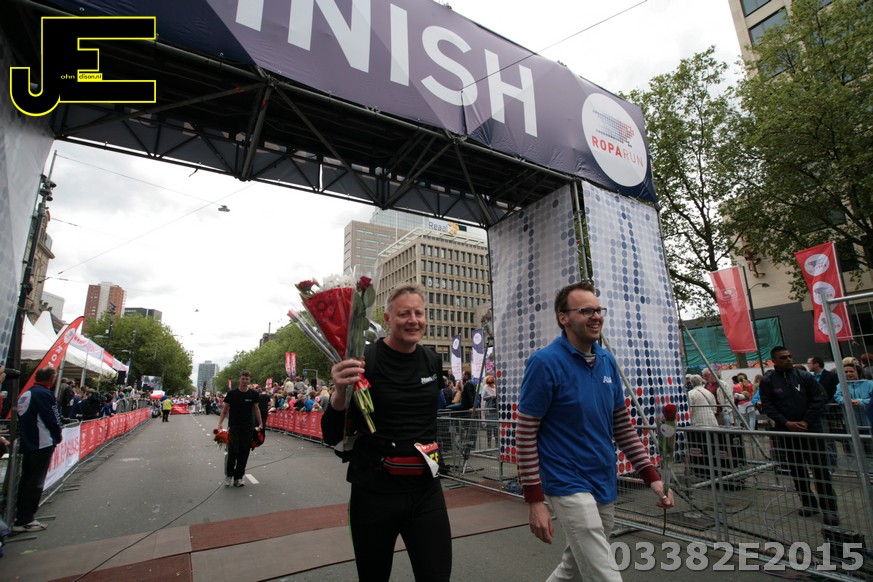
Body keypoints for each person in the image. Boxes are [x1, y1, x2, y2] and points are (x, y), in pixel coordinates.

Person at [517, 281, 673, 581]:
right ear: (564, 318)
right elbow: (525, 434)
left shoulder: (606, 360)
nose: (596, 316)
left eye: (599, 310)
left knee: (574, 566)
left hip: (603, 477)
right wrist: (534, 500)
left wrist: (652, 476)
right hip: (565, 479)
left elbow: (622, 427)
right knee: (603, 572)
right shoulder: (544, 362)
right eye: (586, 310)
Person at [322, 283, 451, 582]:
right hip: (374, 493)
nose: (413, 320)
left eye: (419, 313)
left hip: (425, 490)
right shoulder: (363, 359)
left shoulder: (432, 360)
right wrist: (339, 391)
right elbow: (331, 435)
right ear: (388, 318)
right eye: (404, 314)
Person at [759, 346, 839, 526]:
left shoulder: (805, 377)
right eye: (783, 357)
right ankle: (808, 503)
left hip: (811, 431)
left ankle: (830, 508)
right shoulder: (768, 381)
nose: (788, 359)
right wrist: (785, 422)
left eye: (789, 356)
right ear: (774, 361)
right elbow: (768, 405)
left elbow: (818, 398)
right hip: (787, 432)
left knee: (820, 469)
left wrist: (807, 420)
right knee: (797, 469)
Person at [13, 366, 63, 533]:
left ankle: (20, 516)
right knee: (35, 481)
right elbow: (53, 418)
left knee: (27, 479)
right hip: (42, 442)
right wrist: (58, 434)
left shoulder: (27, 393)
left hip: (29, 441)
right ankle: (26, 519)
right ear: (52, 379)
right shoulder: (44, 394)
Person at [217, 371, 263, 487]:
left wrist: (260, 424)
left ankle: (238, 478)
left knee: (244, 452)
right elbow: (224, 409)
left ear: (249, 380)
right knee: (233, 450)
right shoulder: (232, 394)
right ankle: (229, 476)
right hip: (234, 426)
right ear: (239, 379)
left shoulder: (253, 394)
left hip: (248, 427)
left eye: (247, 379)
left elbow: (256, 409)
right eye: (243, 379)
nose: (245, 381)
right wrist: (220, 424)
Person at [833, 362, 873, 462]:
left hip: (868, 420)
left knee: (870, 445)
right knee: (857, 447)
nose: (848, 374)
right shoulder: (841, 385)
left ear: (858, 372)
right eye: (846, 372)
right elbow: (837, 397)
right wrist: (848, 401)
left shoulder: (869, 384)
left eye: (851, 371)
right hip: (852, 422)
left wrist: (860, 402)